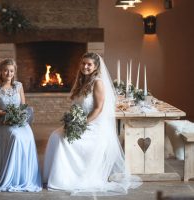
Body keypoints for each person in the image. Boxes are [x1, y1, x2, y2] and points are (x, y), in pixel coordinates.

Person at [43, 52, 141, 196]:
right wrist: (73, 120)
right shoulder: (82, 81)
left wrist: (81, 124)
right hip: (81, 122)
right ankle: (57, 175)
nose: (85, 67)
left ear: (95, 67)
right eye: (83, 63)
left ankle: (67, 179)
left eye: (89, 64)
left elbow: (98, 109)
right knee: (54, 136)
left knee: (63, 140)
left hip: (93, 126)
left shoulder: (98, 83)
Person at [0, 58, 42, 192]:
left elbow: (23, 105)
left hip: (20, 122)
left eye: (11, 71)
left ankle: (23, 177)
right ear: (0, 72)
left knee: (26, 135)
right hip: (4, 122)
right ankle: (9, 176)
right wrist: (7, 113)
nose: (8, 73)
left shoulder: (19, 86)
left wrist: (19, 116)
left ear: (14, 72)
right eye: (5, 70)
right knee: (15, 137)